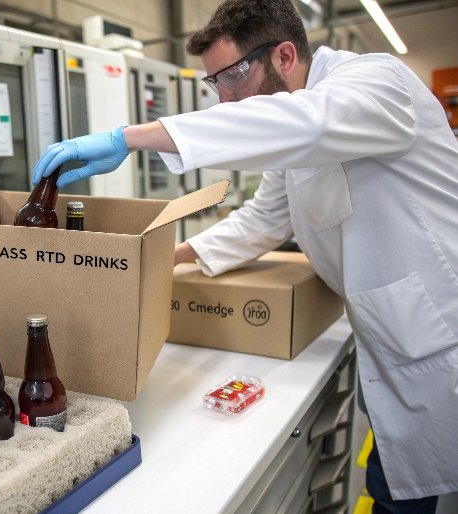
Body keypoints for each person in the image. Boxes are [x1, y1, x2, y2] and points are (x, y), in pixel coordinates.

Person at [32, 0, 458, 512]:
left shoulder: (378, 83)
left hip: (441, 333)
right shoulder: (293, 135)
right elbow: (264, 219)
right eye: (215, 83)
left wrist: (130, 137)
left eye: (232, 75)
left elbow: (306, 123)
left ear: (283, 56)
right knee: (394, 484)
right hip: (388, 336)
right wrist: (164, 256)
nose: (226, 99)